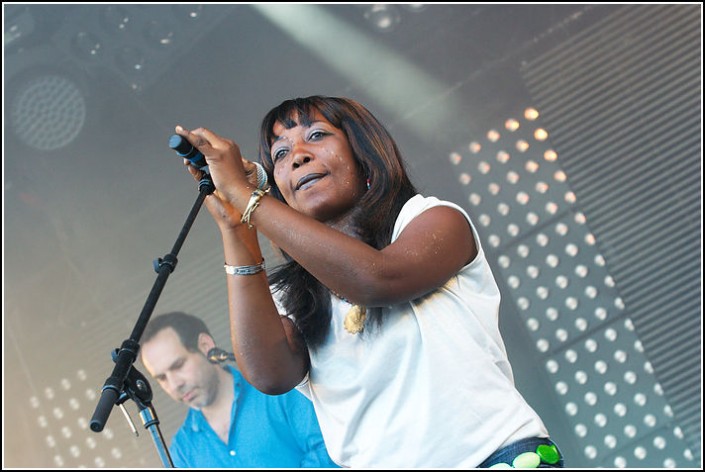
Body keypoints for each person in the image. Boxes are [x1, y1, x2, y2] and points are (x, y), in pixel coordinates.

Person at [173, 95, 564, 468]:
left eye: (316, 135)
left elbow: (376, 280)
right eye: (280, 153)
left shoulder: (431, 219)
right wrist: (236, 228)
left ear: (364, 153)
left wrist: (250, 198)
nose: (298, 156)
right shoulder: (289, 292)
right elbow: (270, 375)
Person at [139, 311, 339, 468]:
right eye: (162, 378)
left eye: (178, 365)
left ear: (205, 345)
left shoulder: (275, 387)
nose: (174, 385)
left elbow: (329, 449)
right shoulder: (182, 451)